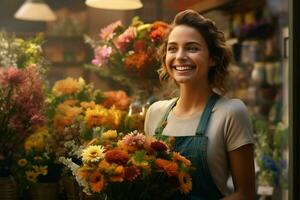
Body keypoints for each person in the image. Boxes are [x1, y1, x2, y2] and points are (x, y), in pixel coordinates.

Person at [144, 9, 255, 200]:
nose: (180, 56)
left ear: (212, 58)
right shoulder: (155, 112)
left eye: (192, 48)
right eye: (172, 48)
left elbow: (245, 195)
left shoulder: (231, 112)